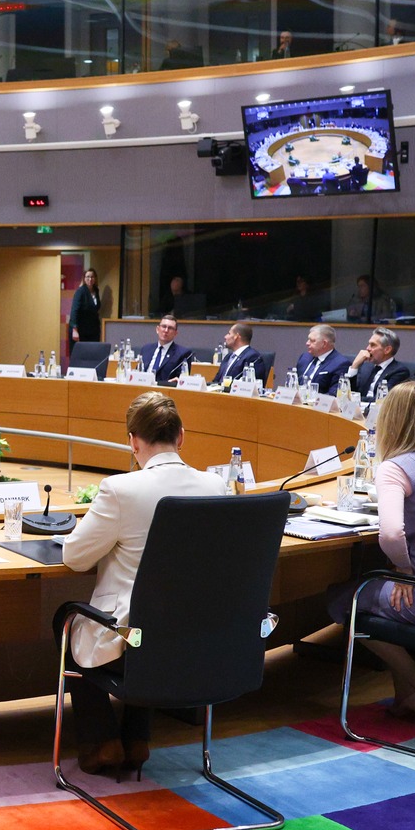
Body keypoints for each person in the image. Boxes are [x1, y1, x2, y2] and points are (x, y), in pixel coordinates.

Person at [52, 392, 227, 777]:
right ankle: (137, 738)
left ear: (133, 441)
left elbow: (74, 557)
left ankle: (102, 743)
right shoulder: (216, 486)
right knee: (157, 616)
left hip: (134, 638)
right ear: (181, 436)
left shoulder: (121, 490)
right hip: (198, 634)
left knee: (71, 620)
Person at [322, 385, 415, 724]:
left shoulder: (395, 467)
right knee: (381, 596)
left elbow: (391, 534)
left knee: (340, 601)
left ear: (389, 419)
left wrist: (404, 570)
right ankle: (410, 698)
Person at [354, 327, 412, 404]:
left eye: (373, 345)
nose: (367, 348)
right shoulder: (366, 366)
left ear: (387, 350)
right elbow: (348, 391)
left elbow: (382, 400)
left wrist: (355, 398)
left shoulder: (399, 371)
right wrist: (354, 366)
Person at [292, 323, 353, 394]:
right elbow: (294, 384)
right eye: (308, 339)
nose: (307, 343)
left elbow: (334, 394)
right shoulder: (304, 358)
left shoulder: (341, 364)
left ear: (324, 344)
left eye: (312, 341)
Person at [135, 314, 193, 386]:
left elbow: (181, 382)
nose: (166, 330)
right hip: (142, 388)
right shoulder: (146, 349)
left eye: (170, 328)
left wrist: (158, 383)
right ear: (157, 329)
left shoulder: (183, 353)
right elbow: (137, 373)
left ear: (175, 333)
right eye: (164, 326)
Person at [211, 321, 265, 386]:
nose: (225, 337)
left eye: (229, 333)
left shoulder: (253, 357)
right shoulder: (228, 357)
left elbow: (251, 386)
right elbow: (216, 381)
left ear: (236, 336)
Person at [69, 267, 103, 345]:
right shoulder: (80, 291)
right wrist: (75, 329)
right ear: (84, 278)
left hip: (92, 330)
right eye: (87, 277)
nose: (90, 279)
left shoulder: (96, 291)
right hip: (81, 330)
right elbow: (74, 310)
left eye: (92, 277)